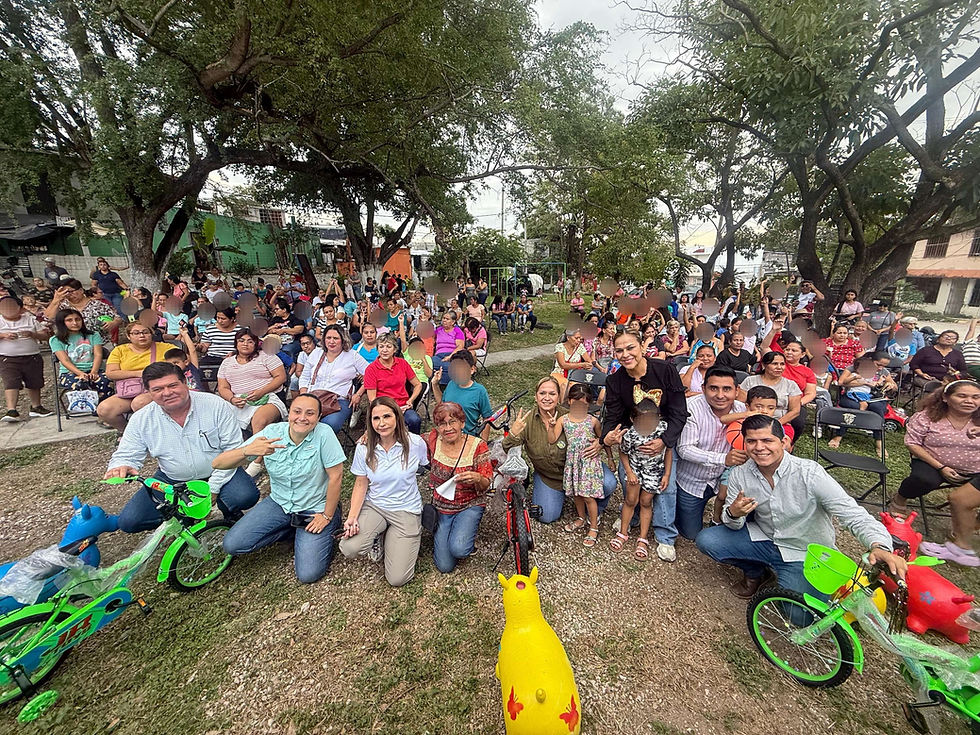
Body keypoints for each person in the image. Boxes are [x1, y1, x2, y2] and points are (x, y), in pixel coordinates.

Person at [695, 414, 906, 598]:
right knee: (708, 540)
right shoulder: (740, 474)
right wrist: (733, 513)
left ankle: (785, 574)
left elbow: (853, 514)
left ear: (784, 441)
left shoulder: (809, 473)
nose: (759, 448)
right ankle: (756, 571)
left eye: (767, 440)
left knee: (800, 616)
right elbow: (731, 524)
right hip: (764, 538)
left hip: (804, 552)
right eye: (752, 441)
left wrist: (879, 546)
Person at [104, 362, 260, 532]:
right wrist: (122, 465)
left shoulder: (216, 405)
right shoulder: (142, 419)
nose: (167, 393)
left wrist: (213, 489)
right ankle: (183, 515)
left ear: (185, 383)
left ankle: (229, 510)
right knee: (130, 522)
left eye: (173, 385)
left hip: (219, 470)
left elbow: (233, 449)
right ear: (148, 392)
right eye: (157, 389)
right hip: (171, 479)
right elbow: (126, 453)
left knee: (245, 496)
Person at [215, 394, 345, 584]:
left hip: (315, 506)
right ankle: (291, 529)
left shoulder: (323, 434)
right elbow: (218, 463)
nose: (302, 418)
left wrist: (326, 516)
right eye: (297, 411)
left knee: (308, 574)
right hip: (279, 502)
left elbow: (336, 477)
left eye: (310, 413)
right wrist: (247, 451)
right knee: (233, 544)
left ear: (318, 418)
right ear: (289, 413)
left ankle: (328, 526)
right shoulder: (272, 433)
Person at [502, 377, 617, 524]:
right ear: (536, 397)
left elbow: (597, 433)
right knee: (547, 516)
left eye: (552, 393)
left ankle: (593, 510)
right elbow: (506, 448)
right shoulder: (527, 421)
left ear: (559, 397)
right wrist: (513, 433)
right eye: (542, 393)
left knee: (608, 483)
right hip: (549, 477)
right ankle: (565, 495)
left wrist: (600, 443)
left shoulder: (571, 415)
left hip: (581, 470)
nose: (547, 398)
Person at [339, 397, 428, 586]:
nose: (381, 423)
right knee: (349, 547)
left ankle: (391, 536)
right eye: (375, 418)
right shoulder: (364, 447)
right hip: (376, 506)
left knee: (397, 579)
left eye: (387, 416)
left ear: (397, 417)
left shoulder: (416, 443)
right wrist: (352, 517)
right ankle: (376, 536)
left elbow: (425, 465)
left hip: (406, 509)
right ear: (370, 422)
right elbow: (361, 483)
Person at [889, 382, 980, 565]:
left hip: (975, 470)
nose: (969, 401)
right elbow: (912, 443)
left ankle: (966, 531)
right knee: (923, 479)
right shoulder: (928, 417)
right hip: (933, 463)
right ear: (945, 398)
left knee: (962, 499)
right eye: (962, 396)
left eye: (975, 397)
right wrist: (940, 467)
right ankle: (900, 499)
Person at [674, 367, 747, 542]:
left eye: (727, 389)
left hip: (725, 480)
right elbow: (684, 449)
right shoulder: (691, 408)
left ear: (737, 391)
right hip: (691, 481)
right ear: (703, 388)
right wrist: (723, 459)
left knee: (738, 523)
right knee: (691, 534)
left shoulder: (742, 409)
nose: (720, 395)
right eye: (713, 388)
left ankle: (719, 518)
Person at [426, 401, 493, 573]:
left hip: (469, 504)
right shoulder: (432, 440)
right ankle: (450, 532)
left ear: (462, 423)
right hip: (442, 507)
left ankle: (465, 536)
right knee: (444, 566)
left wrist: (478, 477)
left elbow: (487, 483)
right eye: (442, 423)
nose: (447, 428)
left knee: (459, 549)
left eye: (452, 422)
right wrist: (369, 433)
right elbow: (403, 438)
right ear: (437, 427)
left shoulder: (477, 445)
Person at [547, 383, 607, 548]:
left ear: (589, 403)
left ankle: (594, 526)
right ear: (570, 401)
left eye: (585, 404)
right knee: (576, 493)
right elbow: (552, 440)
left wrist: (609, 457)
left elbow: (603, 440)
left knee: (588, 496)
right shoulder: (563, 420)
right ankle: (581, 518)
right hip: (573, 462)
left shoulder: (593, 420)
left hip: (588, 463)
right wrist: (551, 427)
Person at [612, 398, 672, 561]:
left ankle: (643, 538)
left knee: (646, 502)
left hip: (654, 471)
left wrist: (667, 474)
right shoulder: (631, 434)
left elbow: (668, 451)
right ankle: (623, 532)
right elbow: (623, 452)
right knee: (630, 500)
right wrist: (629, 472)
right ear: (633, 419)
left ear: (658, 418)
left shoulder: (663, 430)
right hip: (635, 470)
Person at [216, 330, 287, 438]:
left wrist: (261, 392)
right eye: (241, 341)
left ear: (255, 344)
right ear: (236, 343)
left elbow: (281, 377)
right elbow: (223, 387)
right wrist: (232, 399)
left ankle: (258, 453)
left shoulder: (266, 356)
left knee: (259, 421)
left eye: (250, 341)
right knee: (219, 418)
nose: (245, 344)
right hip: (238, 400)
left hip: (267, 398)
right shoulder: (227, 362)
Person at [298, 325, 368, 434]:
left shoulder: (352, 356)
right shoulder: (316, 353)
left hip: (339, 400)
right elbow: (305, 376)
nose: (331, 341)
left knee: (328, 426)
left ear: (343, 340)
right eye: (328, 338)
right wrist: (303, 395)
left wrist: (358, 394)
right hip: (314, 397)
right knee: (299, 421)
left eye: (335, 338)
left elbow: (371, 374)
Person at [97, 321, 164, 431]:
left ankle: (152, 433)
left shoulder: (165, 348)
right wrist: (138, 373)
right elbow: (111, 373)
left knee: (139, 403)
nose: (141, 335)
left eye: (145, 332)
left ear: (151, 334)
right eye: (136, 333)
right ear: (129, 336)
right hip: (129, 390)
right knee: (104, 409)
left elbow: (180, 363)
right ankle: (128, 433)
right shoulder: (119, 350)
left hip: (155, 389)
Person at [0, 295, 51, 422]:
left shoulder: (30, 319)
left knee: (35, 381)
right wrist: (3, 335)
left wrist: (32, 334)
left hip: (32, 356)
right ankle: (11, 410)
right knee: (11, 382)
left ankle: (36, 407)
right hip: (8, 358)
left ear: (20, 308)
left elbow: (45, 335)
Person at [363, 333, 423, 433]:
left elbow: (418, 385)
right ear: (377, 349)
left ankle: (413, 446)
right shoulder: (371, 369)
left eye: (388, 346)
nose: (384, 350)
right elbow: (372, 400)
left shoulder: (402, 363)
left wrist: (410, 400)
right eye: (381, 347)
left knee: (414, 420)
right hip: (383, 408)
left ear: (394, 349)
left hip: (403, 406)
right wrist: (392, 410)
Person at [49, 308, 113, 401]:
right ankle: (86, 407)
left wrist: (94, 372)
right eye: (69, 320)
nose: (75, 323)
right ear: (62, 322)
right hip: (69, 372)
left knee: (105, 380)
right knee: (80, 383)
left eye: (77, 319)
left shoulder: (93, 335)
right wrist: (80, 373)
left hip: (94, 369)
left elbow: (98, 355)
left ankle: (104, 409)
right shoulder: (55, 340)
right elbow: (64, 360)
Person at [737, 352, 802, 435]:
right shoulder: (750, 381)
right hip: (751, 422)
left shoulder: (791, 385)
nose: (779, 367)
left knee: (782, 444)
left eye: (782, 364)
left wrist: (776, 424)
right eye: (775, 364)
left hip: (780, 423)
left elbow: (795, 411)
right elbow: (740, 405)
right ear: (764, 365)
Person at [432, 350, 492, 438]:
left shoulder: (480, 391)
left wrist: (483, 442)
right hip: (448, 435)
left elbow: (487, 418)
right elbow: (442, 405)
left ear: (472, 369)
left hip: (468, 437)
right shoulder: (451, 384)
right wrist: (435, 385)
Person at [43, 279, 120, 347]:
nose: (68, 294)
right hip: (72, 347)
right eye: (65, 292)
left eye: (71, 291)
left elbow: (117, 318)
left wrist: (113, 323)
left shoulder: (98, 305)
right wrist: (56, 300)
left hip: (101, 344)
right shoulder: (62, 306)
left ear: (81, 290)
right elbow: (47, 318)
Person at [551, 329, 595, 398]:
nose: (578, 340)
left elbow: (589, 361)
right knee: (565, 386)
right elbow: (563, 365)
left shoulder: (580, 347)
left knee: (579, 388)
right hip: (560, 373)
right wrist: (581, 364)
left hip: (575, 375)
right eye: (576, 338)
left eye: (580, 338)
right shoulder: (560, 347)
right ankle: (563, 406)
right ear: (568, 337)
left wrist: (588, 365)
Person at [432, 312, 465, 386]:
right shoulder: (438, 330)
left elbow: (460, 346)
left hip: (453, 354)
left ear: (453, 322)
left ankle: (448, 384)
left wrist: (449, 357)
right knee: (431, 363)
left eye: (447, 319)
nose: (444, 320)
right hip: (438, 355)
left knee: (449, 366)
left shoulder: (457, 331)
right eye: (443, 318)